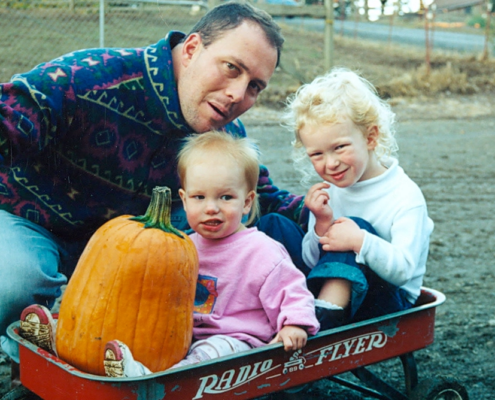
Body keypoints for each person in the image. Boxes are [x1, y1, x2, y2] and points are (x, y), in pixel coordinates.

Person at [0, 1, 307, 376]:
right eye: (232, 68)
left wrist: (330, 212)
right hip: (35, 225)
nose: (237, 94)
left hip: (131, 256)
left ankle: (110, 360)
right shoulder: (91, 76)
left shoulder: (224, 134)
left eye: (254, 86)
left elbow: (265, 197)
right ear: (191, 48)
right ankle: (35, 363)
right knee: (12, 282)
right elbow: (12, 114)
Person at [19, 130, 319, 378]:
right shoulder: (182, 245)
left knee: (209, 354)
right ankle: (64, 340)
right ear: (184, 201)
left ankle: (144, 378)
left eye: (226, 197)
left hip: (237, 341)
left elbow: (292, 291)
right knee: (134, 333)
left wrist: (295, 323)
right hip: (182, 334)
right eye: (199, 197)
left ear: (247, 202)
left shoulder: (262, 251)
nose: (211, 208)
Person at [282, 68, 434, 330]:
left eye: (340, 147)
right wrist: (321, 226)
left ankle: (320, 322)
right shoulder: (331, 191)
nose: (331, 163)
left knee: (354, 227)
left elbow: (404, 270)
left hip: (387, 302)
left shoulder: (405, 196)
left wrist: (359, 241)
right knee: (276, 224)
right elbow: (313, 263)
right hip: (336, 292)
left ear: (370, 137)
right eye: (317, 154)